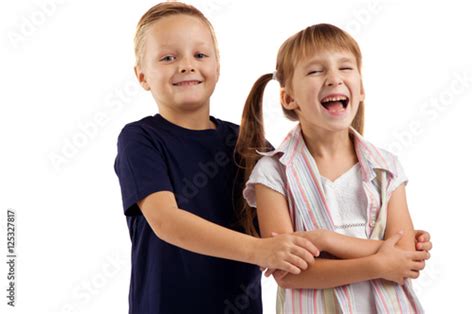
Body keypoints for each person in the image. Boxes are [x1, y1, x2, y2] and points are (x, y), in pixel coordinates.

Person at [113, 2, 322, 313]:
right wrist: (261, 251)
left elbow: (290, 220)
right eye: (168, 57)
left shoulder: (249, 143)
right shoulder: (140, 139)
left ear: (218, 66)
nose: (186, 65)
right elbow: (166, 221)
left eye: (200, 55)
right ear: (142, 75)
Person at [237, 23, 430, 313]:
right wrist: (377, 263)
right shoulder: (273, 173)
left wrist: (327, 240)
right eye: (316, 71)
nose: (333, 79)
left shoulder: (386, 168)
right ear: (289, 99)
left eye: (345, 68)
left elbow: (405, 256)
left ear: (361, 89)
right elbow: (289, 273)